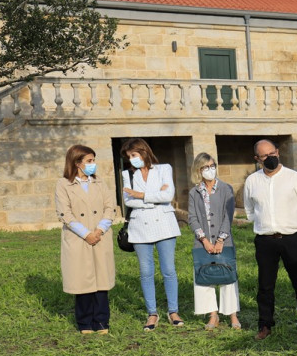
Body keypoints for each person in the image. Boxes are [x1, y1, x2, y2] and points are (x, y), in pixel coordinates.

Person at [243, 139, 297, 341]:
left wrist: (296, 224)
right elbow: (249, 210)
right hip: (265, 240)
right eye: (265, 156)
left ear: (278, 152)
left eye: (273, 153)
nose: (270, 158)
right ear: (257, 159)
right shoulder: (252, 181)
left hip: (291, 238)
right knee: (265, 285)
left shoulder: (296, 178)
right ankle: (265, 324)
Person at [120, 138, 183, 330]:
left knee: (169, 270)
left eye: (134, 155)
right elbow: (128, 201)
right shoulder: (127, 175)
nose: (132, 159)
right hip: (140, 226)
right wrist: (155, 196)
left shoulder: (164, 169)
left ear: (144, 152)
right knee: (146, 272)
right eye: (129, 157)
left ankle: (173, 311)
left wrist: (141, 195)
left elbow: (168, 196)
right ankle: (152, 313)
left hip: (164, 224)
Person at [55, 144, 117, 334]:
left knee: (101, 279)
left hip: (100, 235)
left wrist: (99, 230)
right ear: (77, 162)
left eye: (93, 160)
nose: (93, 164)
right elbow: (65, 213)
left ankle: (101, 321)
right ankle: (84, 322)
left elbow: (110, 207)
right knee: (83, 280)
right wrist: (86, 234)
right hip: (78, 237)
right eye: (89, 161)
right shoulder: (63, 184)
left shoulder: (99, 183)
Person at [187, 152, 241, 331]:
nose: (210, 170)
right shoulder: (194, 192)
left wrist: (220, 240)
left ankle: (232, 315)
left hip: (223, 241)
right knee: (204, 276)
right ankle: (212, 315)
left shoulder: (226, 188)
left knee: (228, 276)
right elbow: (192, 217)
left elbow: (228, 216)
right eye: (205, 167)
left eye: (212, 166)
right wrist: (204, 240)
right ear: (199, 170)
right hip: (203, 242)